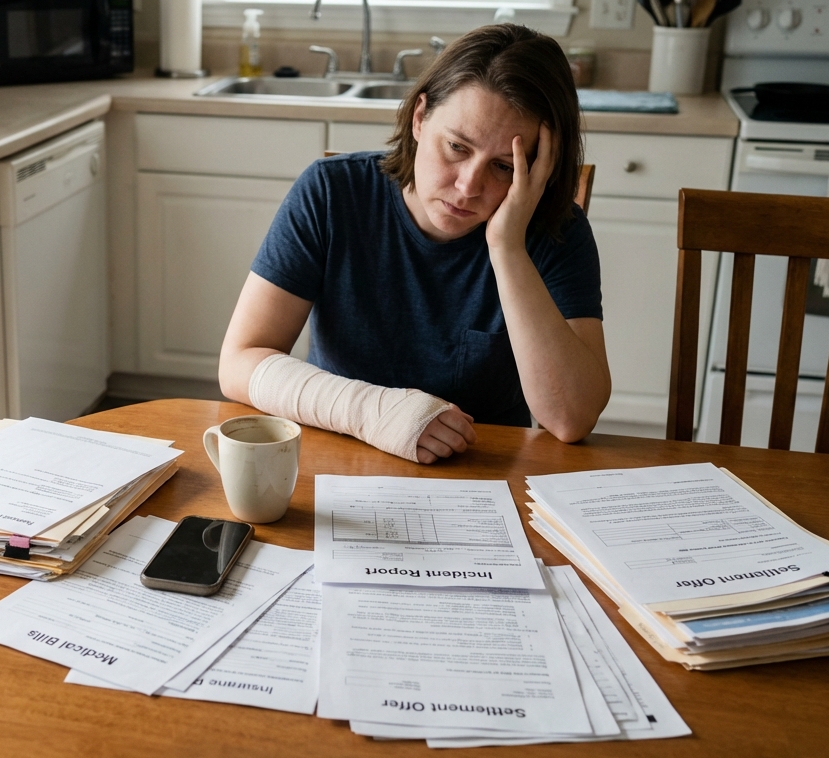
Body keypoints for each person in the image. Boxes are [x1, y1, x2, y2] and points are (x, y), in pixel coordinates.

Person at [218, 24, 610, 464]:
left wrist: (507, 248)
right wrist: (376, 411)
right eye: (458, 147)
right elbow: (238, 363)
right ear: (420, 118)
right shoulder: (330, 193)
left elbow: (571, 418)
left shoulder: (556, 232)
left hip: (483, 475)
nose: (468, 186)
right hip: (339, 455)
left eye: (503, 167)